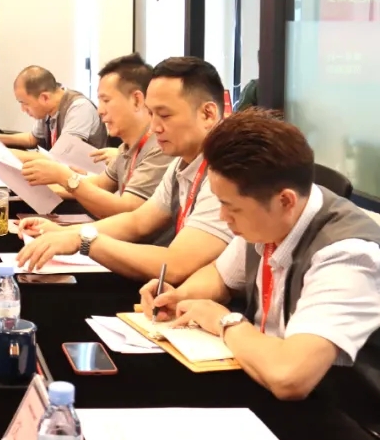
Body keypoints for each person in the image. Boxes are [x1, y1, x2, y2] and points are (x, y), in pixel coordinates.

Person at [139, 109, 380, 403]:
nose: (222, 216)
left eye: (232, 207)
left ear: (285, 201)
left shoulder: (347, 255)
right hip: (260, 375)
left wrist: (224, 321)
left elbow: (290, 377)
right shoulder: (268, 216)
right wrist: (180, 298)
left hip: (340, 405)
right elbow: (220, 275)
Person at [15, 57, 234, 284]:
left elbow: (177, 264)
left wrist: (84, 240)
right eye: (152, 114)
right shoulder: (181, 162)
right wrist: (66, 233)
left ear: (208, 114)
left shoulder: (227, 171)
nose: (155, 126)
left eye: (165, 115)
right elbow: (137, 221)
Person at [20, 53, 174, 218]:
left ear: (137, 100)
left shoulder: (160, 147)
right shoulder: (125, 148)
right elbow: (99, 185)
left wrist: (63, 176)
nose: (100, 110)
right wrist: (31, 187)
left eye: (106, 101)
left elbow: (127, 211)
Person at [0, 66, 106, 160]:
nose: (23, 109)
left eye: (25, 103)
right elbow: (32, 139)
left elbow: (59, 158)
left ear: (44, 97)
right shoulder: (47, 109)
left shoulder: (79, 108)